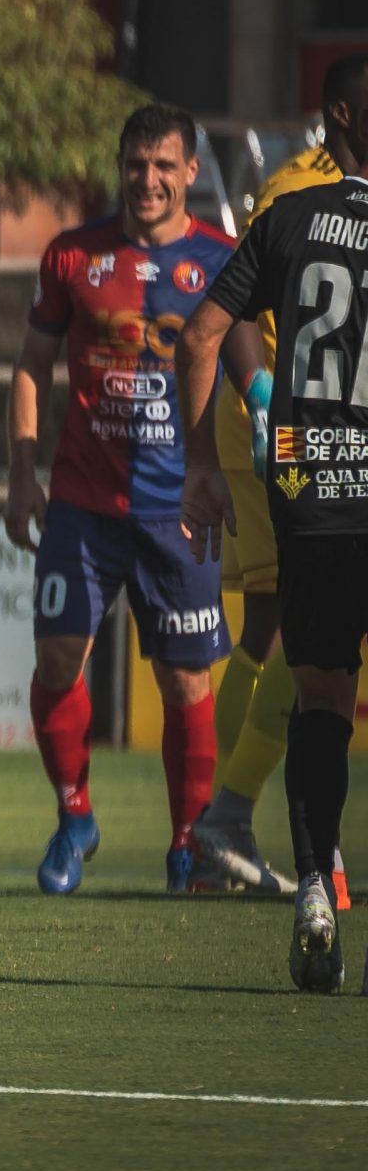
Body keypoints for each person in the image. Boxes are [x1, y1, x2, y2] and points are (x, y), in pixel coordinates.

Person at [7, 104, 235, 895]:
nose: (148, 179)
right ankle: (74, 815)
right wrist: (22, 471)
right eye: (136, 164)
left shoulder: (222, 259)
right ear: (120, 165)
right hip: (81, 499)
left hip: (178, 512)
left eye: (164, 165)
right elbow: (31, 365)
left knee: (185, 683)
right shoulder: (73, 254)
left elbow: (251, 370)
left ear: (190, 171)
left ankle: (188, 846)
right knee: (55, 658)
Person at [180, 85, 368, 990]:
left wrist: (203, 462)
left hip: (311, 481)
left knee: (318, 690)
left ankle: (315, 890)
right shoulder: (289, 191)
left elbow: (202, 334)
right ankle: (231, 817)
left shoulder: (291, 211)